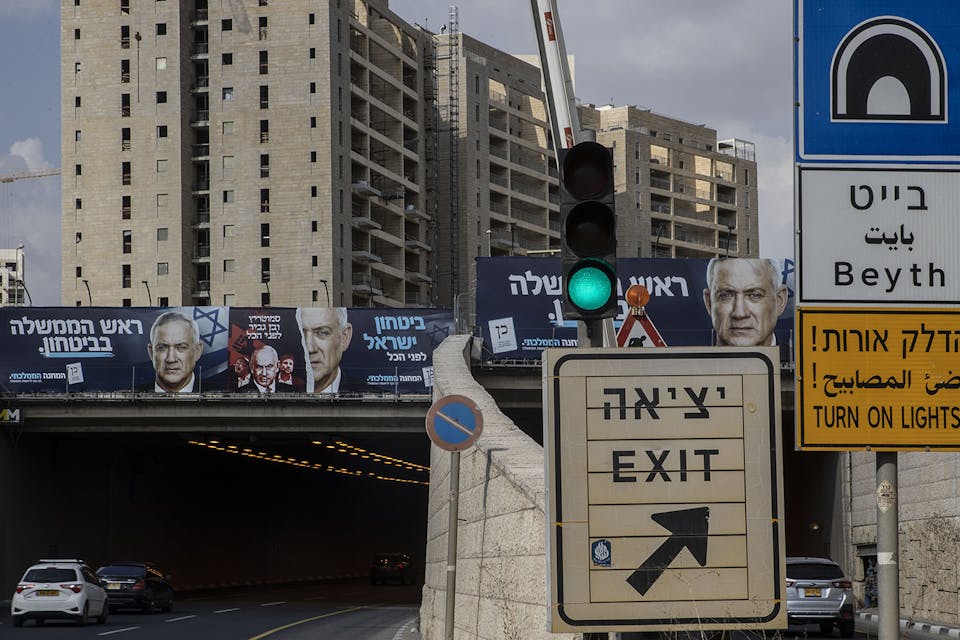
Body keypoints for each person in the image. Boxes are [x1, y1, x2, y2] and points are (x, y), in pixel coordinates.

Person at [702, 257, 787, 347]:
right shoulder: (693, 356)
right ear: (709, 303)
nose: (739, 314)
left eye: (755, 295)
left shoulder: (796, 355)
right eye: (726, 295)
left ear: (779, 301)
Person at [146, 311, 204, 393]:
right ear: (151, 352)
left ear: (197, 351)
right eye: (162, 348)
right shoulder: (133, 393)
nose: (171, 359)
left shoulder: (217, 393)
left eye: (181, 347)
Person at [299, 307, 353, 393]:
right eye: (301, 334)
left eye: (322, 332)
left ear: (344, 338)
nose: (309, 349)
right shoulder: (282, 389)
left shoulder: (363, 392)